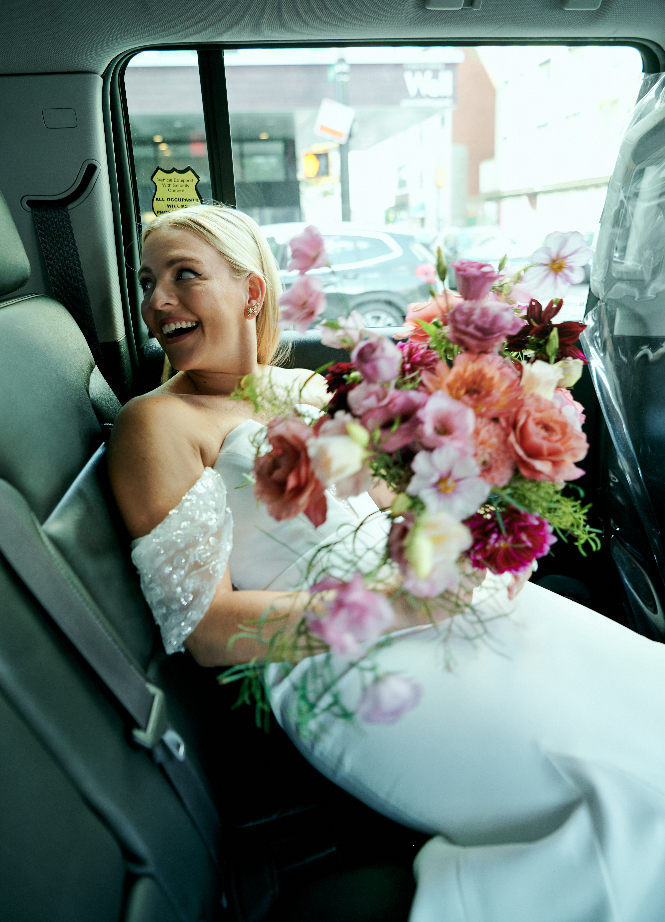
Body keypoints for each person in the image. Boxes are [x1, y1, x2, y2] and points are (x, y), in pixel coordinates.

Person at [109, 204, 665, 922]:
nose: (156, 301)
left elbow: (393, 507)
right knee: (630, 793)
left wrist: (476, 503)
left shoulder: (307, 389)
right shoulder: (154, 424)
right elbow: (209, 631)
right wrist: (394, 605)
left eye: (183, 275)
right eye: (148, 280)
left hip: (439, 598)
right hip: (344, 663)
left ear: (250, 293)